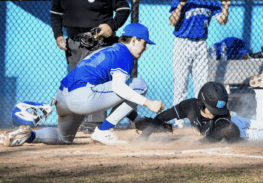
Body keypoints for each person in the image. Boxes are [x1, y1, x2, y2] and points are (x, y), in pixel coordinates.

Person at [1, 23, 165, 147]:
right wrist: (148, 103)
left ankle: (25, 136)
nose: (145, 48)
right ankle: (103, 131)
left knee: (64, 137)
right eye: (144, 43)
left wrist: (137, 119)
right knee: (138, 84)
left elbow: (116, 97)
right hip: (83, 97)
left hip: (62, 97)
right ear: (134, 40)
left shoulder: (110, 50)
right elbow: (119, 89)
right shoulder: (124, 54)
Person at [147, 62, 263, 142]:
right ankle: (260, 90)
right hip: (239, 124)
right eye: (212, 110)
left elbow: (212, 140)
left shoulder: (222, 118)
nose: (216, 113)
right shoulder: (190, 106)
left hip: (244, 133)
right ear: (201, 103)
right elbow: (163, 117)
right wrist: (146, 133)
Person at [50, 0, 131, 133]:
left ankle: (96, 123)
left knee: (98, 82)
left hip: (100, 42)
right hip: (74, 43)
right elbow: (55, 13)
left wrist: (112, 26)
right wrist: (58, 35)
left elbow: (124, 8)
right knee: (77, 85)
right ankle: (76, 124)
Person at [169, 0, 231, 128]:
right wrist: (181, 5)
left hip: (201, 44)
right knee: (180, 86)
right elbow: (172, 22)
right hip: (182, 43)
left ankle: (202, 121)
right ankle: (179, 122)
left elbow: (222, 21)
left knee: (202, 86)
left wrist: (225, 6)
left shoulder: (210, 2)